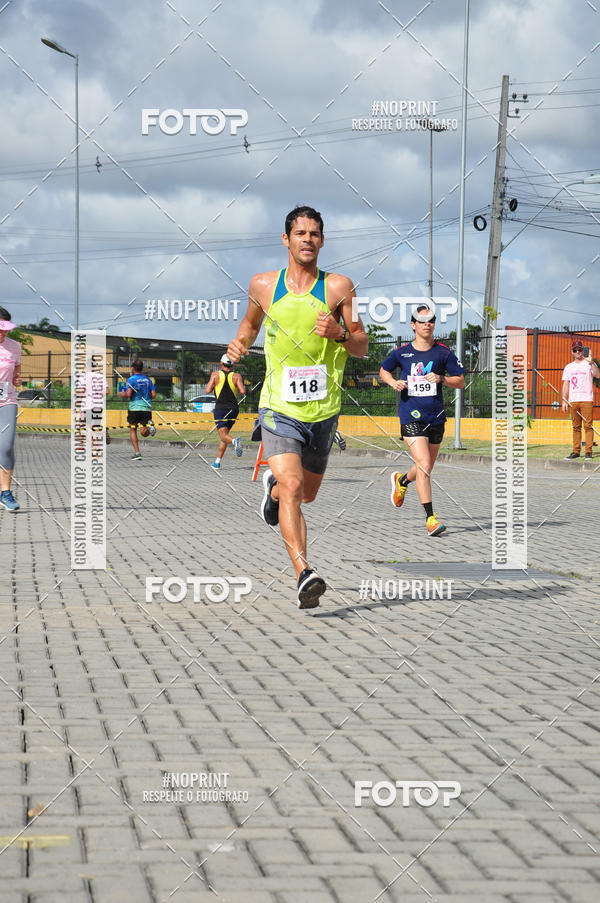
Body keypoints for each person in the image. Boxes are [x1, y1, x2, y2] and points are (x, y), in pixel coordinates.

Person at [227, 205, 368, 608]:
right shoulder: (263, 285)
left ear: (322, 241)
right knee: (293, 486)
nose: (308, 239)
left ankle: (272, 493)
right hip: (279, 407)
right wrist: (240, 344)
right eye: (300, 233)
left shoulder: (340, 288)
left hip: (323, 411)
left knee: (305, 494)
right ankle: (304, 573)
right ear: (286, 239)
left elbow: (361, 345)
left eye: (314, 233)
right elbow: (250, 325)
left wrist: (339, 334)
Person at [379, 304, 465, 536]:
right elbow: (383, 370)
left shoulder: (443, 353)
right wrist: (393, 382)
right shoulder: (402, 352)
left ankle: (402, 481)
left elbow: (460, 381)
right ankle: (431, 519)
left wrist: (442, 379)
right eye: (422, 320)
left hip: (435, 417)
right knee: (425, 466)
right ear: (413, 325)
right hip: (411, 416)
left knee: (424, 466)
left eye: (431, 320)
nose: (427, 324)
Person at [205, 353, 245, 469]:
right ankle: (217, 462)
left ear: (221, 363)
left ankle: (234, 441)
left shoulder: (215, 375)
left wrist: (214, 384)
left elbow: (208, 390)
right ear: (232, 365)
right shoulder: (237, 376)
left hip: (221, 409)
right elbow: (242, 391)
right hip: (233, 409)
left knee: (223, 436)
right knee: (224, 435)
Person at [561, 339, 599, 459]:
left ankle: (588, 452)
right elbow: (566, 384)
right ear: (572, 352)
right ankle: (576, 451)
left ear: (583, 350)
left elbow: (598, 375)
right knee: (576, 427)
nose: (577, 351)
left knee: (588, 426)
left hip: (587, 399)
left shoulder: (589, 363)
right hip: (573, 400)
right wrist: (564, 400)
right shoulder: (569, 367)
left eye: (579, 349)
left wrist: (592, 362)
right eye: (575, 350)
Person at [0, 307, 21, 511]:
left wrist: (17, 378)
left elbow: (16, 371)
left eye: (6, 328)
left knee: (5, 446)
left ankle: (5, 493)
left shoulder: (15, 346)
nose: (3, 332)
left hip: (6, 400)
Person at [119, 360, 156, 460]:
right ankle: (150, 428)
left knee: (133, 429)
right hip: (146, 407)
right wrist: (145, 395)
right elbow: (153, 395)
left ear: (133, 368)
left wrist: (122, 394)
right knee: (144, 432)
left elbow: (128, 394)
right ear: (142, 368)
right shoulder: (148, 380)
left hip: (134, 407)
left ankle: (137, 453)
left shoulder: (131, 379)